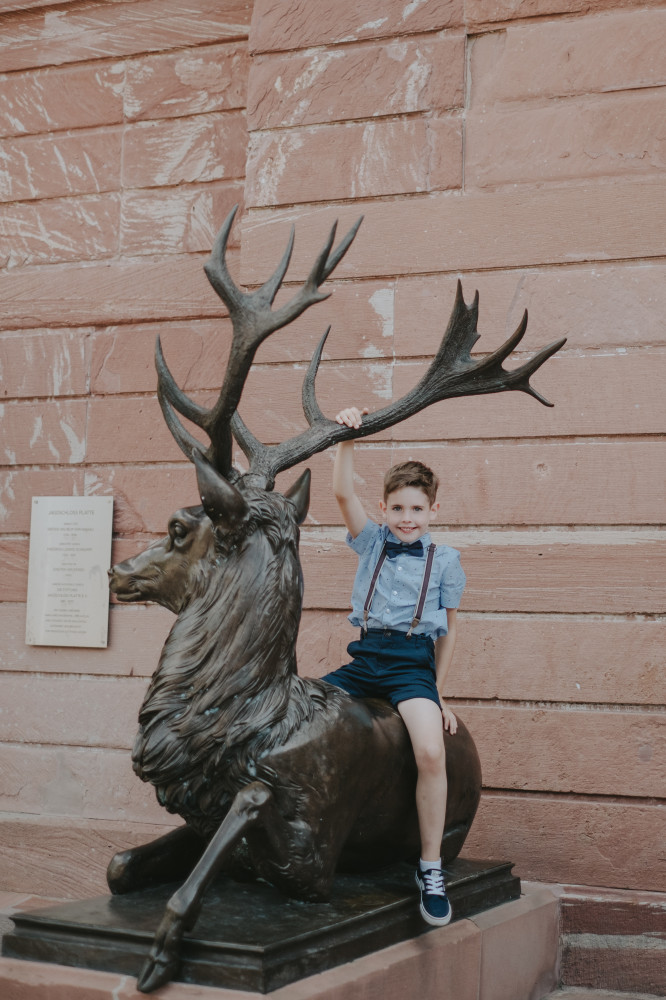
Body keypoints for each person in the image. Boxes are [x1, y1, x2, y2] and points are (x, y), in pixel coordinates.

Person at [322, 406, 466, 927]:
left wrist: (439, 692)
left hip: (411, 666)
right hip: (365, 660)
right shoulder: (371, 542)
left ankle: (430, 867)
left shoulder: (445, 561)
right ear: (384, 508)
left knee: (430, 751)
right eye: (398, 507)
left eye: (417, 509)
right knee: (300, 714)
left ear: (433, 511)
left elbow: (447, 635)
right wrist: (347, 437)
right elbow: (341, 492)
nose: (407, 518)